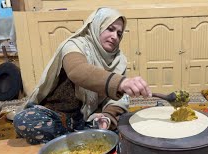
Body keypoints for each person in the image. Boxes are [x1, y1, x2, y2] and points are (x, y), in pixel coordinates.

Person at [13, 7, 152, 144]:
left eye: (119, 33)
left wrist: (107, 118)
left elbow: (118, 100)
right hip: (56, 115)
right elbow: (77, 70)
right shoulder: (75, 45)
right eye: (110, 29)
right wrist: (120, 82)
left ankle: (78, 137)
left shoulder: (119, 60)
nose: (115, 36)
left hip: (86, 118)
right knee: (25, 120)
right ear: (97, 25)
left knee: (126, 124)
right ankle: (82, 138)